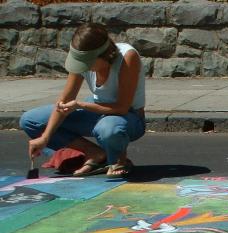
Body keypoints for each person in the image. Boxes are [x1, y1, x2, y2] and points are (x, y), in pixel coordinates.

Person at [19, 23, 145, 178]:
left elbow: (122, 108)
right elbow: (64, 101)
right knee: (30, 120)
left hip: (129, 117)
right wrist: (45, 138)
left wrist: (80, 105)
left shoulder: (127, 57)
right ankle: (95, 153)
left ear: (103, 55)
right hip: (97, 111)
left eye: (86, 63)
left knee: (109, 129)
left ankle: (119, 160)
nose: (83, 67)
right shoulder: (84, 62)